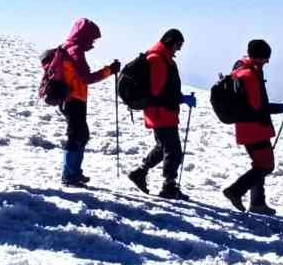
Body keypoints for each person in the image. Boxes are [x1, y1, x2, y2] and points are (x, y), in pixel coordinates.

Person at [221, 39, 283, 215]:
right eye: (265, 58)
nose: (267, 62)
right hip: (255, 129)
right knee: (266, 166)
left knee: (259, 164)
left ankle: (257, 203)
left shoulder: (241, 69)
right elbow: (258, 107)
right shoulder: (250, 76)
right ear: (259, 57)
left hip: (245, 127)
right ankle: (235, 191)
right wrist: (280, 108)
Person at [47, 18, 120, 186]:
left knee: (81, 135)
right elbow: (86, 78)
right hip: (73, 99)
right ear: (85, 36)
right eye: (92, 38)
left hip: (71, 98)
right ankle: (69, 175)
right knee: (76, 136)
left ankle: (74, 172)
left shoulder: (68, 47)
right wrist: (109, 70)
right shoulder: (75, 51)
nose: (93, 42)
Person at [127, 29, 194, 199]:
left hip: (162, 111)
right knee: (174, 151)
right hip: (160, 112)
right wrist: (181, 98)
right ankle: (168, 187)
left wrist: (179, 98)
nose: (179, 49)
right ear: (170, 41)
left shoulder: (163, 58)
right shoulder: (157, 59)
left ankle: (140, 173)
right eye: (178, 44)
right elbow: (158, 91)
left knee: (163, 147)